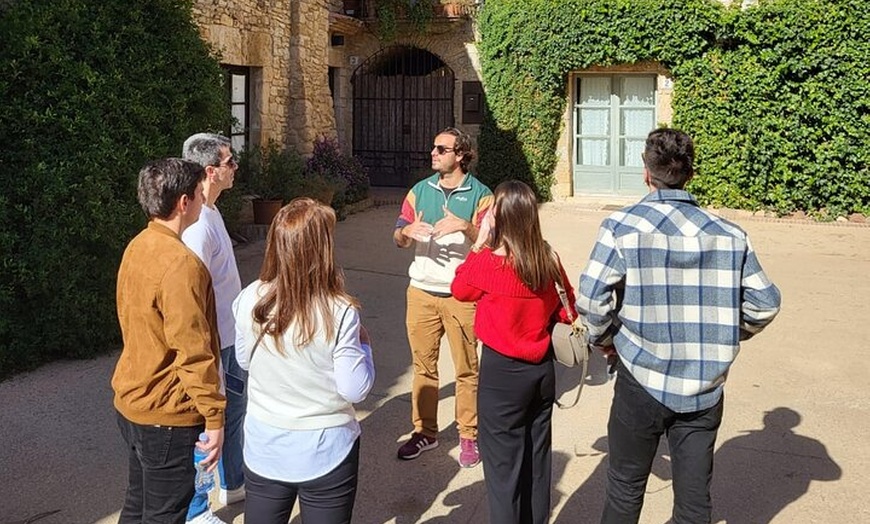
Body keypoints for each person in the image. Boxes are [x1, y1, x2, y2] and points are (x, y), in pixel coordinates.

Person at [576, 128, 782, 524]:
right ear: (690, 173)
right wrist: (725, 331)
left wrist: (606, 339)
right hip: (704, 385)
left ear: (646, 172)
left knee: (625, 490)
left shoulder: (622, 226)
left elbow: (591, 299)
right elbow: (765, 302)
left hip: (641, 377)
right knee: (694, 502)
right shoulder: (730, 233)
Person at [233, 198, 375, 523]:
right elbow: (355, 390)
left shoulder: (248, 298)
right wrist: (365, 348)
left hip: (265, 443)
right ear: (322, 250)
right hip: (327, 448)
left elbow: (244, 360)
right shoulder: (340, 311)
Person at [451, 180, 576, 523]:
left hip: (501, 374)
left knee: (503, 472)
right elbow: (568, 308)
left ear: (500, 216)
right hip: (541, 370)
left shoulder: (491, 264)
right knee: (537, 461)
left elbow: (460, 289)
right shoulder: (548, 259)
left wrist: (479, 243)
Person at [112, 158, 225, 524]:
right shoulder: (181, 264)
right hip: (167, 414)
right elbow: (192, 350)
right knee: (163, 515)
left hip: (134, 401)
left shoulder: (138, 245)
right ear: (183, 202)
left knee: (137, 507)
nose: (202, 199)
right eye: (198, 193)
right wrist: (214, 417)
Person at [393, 127, 493, 467]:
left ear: (461, 155)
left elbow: (491, 244)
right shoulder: (420, 191)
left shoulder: (481, 195)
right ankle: (425, 432)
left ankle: (468, 436)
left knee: (466, 369)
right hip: (420, 291)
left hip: (461, 296)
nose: (433, 153)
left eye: (441, 148)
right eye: (434, 147)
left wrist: (466, 227)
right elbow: (398, 236)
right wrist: (407, 231)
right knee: (423, 368)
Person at [180, 133, 244, 524]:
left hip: (230, 337)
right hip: (214, 343)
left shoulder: (212, 211)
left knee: (234, 412)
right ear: (210, 171)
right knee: (207, 425)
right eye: (229, 161)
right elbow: (191, 296)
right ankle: (196, 510)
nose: (235, 167)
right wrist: (205, 353)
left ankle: (233, 482)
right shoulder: (197, 227)